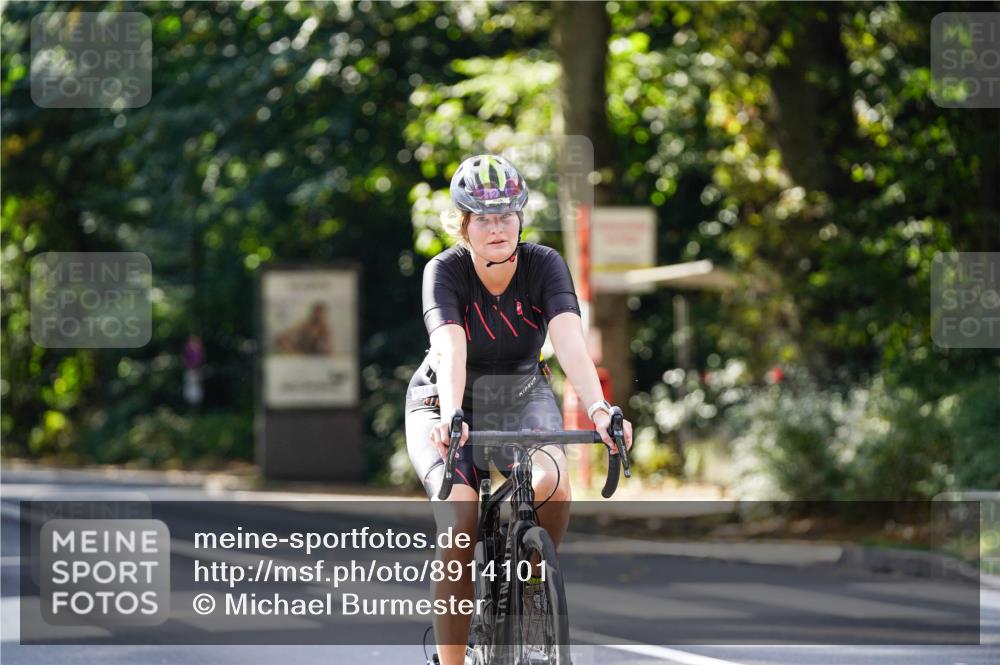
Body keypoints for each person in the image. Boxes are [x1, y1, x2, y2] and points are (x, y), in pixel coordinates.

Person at [405, 154, 633, 665]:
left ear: (521, 217)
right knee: (460, 521)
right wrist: (450, 417)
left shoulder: (543, 264)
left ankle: (531, 574)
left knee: (553, 481)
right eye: (483, 218)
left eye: (507, 215)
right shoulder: (445, 270)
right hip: (446, 398)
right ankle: (453, 662)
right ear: (462, 223)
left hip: (520, 393)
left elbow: (569, 339)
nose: (497, 227)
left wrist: (598, 408)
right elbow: (449, 348)